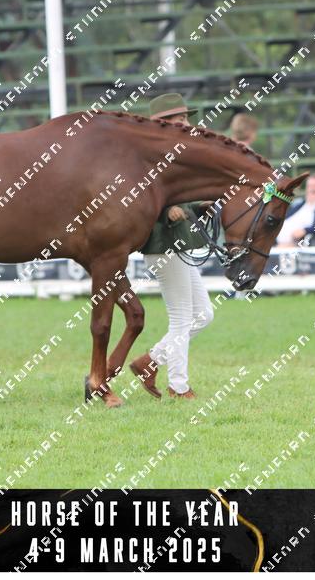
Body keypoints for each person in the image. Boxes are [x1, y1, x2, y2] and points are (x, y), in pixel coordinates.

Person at [129, 93, 214, 400]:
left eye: (186, 117)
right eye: (180, 119)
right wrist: (167, 210)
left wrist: (198, 206)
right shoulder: (148, 158)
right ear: (163, 123)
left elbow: (178, 197)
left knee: (203, 315)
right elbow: (143, 196)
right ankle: (179, 386)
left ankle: (150, 361)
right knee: (181, 318)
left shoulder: (174, 154)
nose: (187, 123)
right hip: (161, 245)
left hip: (178, 244)